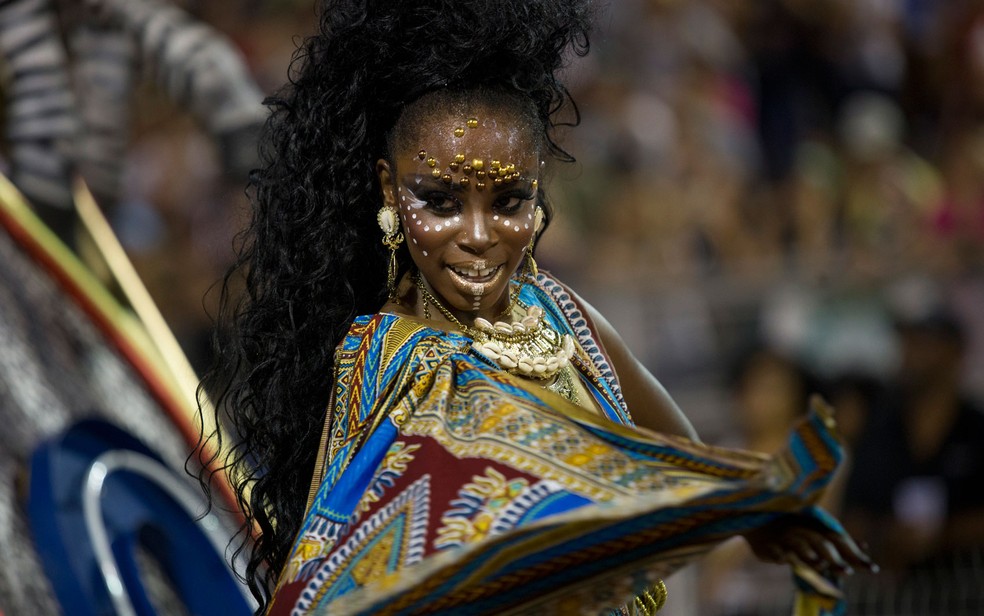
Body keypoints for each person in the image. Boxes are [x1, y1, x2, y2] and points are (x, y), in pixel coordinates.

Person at [198, 2, 875, 614]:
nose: (478, 234)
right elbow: (348, 578)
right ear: (389, 191)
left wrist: (762, 510)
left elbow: (676, 460)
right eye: (440, 201)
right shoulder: (384, 359)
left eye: (507, 201)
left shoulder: (564, 314)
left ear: (540, 190)